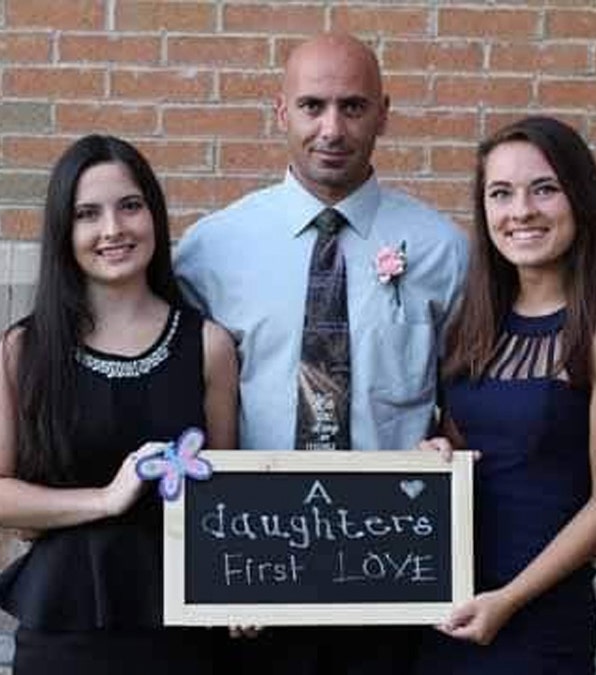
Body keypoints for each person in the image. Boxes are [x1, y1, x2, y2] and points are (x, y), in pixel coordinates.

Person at [174, 32, 468, 675]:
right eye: (312, 106)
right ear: (281, 112)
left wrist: (447, 441)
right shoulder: (210, 251)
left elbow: (468, 396)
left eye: (353, 107)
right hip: (257, 569)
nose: (332, 128)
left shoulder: (443, 252)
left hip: (392, 567)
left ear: (384, 113)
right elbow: (177, 408)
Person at [0, 134, 239, 674]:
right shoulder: (24, 350)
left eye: (130, 206)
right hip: (65, 630)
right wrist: (106, 500)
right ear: (64, 232)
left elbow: (221, 501)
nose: (113, 230)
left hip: (179, 632)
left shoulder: (209, 346)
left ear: (154, 215)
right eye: (88, 214)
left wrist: (238, 594)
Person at [415, 116, 596, 674]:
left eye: (543, 189)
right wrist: (435, 453)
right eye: (501, 194)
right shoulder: (476, 323)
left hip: (537, 618)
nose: (520, 211)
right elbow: (467, 441)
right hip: (450, 604)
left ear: (580, 198)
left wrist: (510, 599)